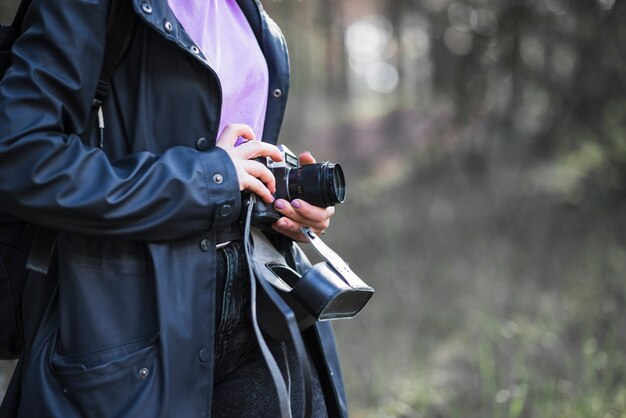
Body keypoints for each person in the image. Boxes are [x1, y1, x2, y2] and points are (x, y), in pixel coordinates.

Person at [0, 0, 347, 416]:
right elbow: (22, 156)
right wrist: (208, 179)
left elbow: (220, 138)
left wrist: (281, 197)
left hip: (258, 304)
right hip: (130, 326)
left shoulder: (244, 9)